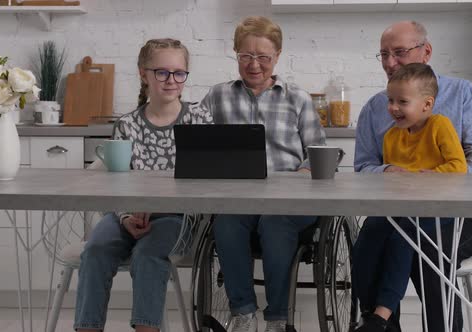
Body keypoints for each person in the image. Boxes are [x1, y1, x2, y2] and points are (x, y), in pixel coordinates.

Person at [353, 21, 472, 332]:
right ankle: (379, 323)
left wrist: (435, 183)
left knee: (425, 247)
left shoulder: (462, 94)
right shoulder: (377, 109)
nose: (390, 63)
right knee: (369, 239)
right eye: (384, 54)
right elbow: (363, 167)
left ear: (426, 51)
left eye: (400, 52)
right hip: (397, 208)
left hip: (454, 213)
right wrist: (389, 171)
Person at [74, 38, 213, 332]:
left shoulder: (200, 119)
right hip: (127, 214)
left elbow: (203, 183)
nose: (171, 80)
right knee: (96, 249)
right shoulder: (127, 125)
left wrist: (155, 205)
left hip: (178, 218)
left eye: (179, 73)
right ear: (143, 74)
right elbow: (117, 181)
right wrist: (125, 215)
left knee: (147, 255)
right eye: (161, 72)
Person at [198, 16, 326, 332]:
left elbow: (319, 155)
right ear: (236, 54)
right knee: (226, 222)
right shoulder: (218, 96)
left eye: (263, 57)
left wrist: (302, 175)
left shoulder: (297, 98)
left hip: (289, 201)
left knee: (275, 221)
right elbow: (196, 147)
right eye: (246, 56)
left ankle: (278, 318)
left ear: (277, 57)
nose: (254, 64)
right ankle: (242, 313)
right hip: (239, 197)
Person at [352, 62, 467, 332]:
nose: (393, 108)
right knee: (368, 233)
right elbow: (394, 186)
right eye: (390, 100)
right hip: (403, 208)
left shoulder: (440, 126)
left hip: (440, 209)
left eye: (402, 102)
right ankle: (371, 312)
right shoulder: (392, 136)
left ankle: (382, 313)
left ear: (427, 104)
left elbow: (458, 167)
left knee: (403, 235)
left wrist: (427, 176)